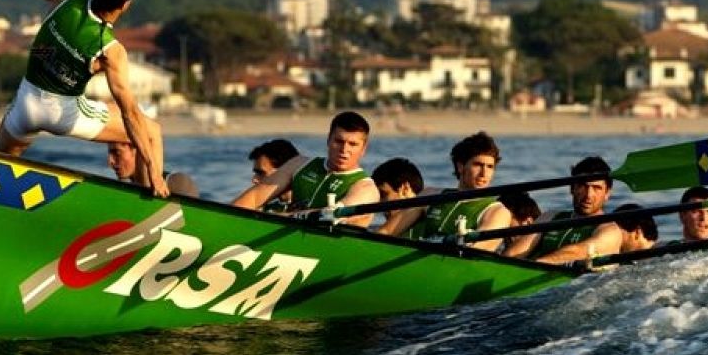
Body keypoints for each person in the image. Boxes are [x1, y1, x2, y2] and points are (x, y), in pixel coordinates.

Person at [0, 0, 167, 196]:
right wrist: (154, 171)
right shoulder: (111, 50)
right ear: (126, 4)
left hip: (25, 104)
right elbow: (130, 114)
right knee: (151, 131)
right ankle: (150, 202)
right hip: (63, 114)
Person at [231, 110, 378, 226]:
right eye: (339, 141)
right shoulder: (299, 164)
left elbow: (330, 215)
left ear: (363, 148)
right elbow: (253, 198)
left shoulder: (366, 188)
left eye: (353, 144)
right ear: (328, 139)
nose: (344, 150)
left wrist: (276, 218)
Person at [385, 132, 514, 250]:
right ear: (460, 166)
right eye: (478, 165)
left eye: (490, 167)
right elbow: (387, 232)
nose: (484, 173)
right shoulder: (430, 195)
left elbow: (478, 251)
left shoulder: (497, 212)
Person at [532, 156, 624, 265]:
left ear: (607, 193)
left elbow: (579, 252)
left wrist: (533, 266)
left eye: (596, 188)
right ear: (572, 188)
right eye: (583, 186)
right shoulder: (549, 217)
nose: (589, 195)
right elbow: (515, 253)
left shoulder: (610, 231)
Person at [106, 142, 198, 197]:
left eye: (117, 153)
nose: (110, 162)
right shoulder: (124, 192)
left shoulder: (179, 182)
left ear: (137, 149)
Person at [248, 139, 301, 213]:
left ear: (286, 171)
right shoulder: (267, 209)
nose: (254, 179)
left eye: (261, 173)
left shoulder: (313, 207)